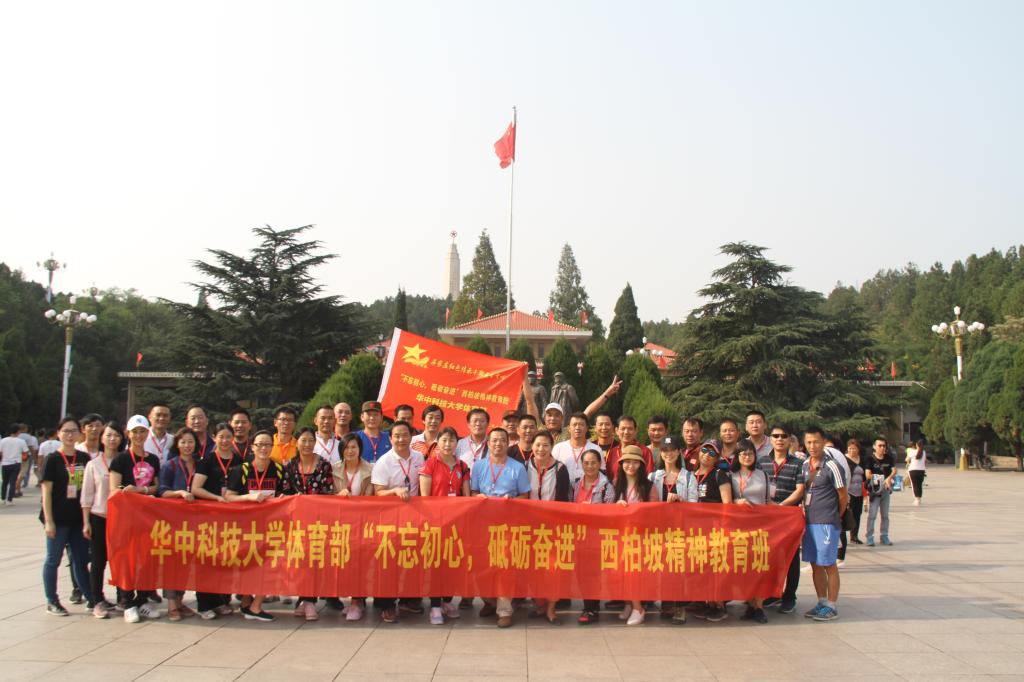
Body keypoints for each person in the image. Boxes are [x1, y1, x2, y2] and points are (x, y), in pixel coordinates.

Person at [226, 430, 290, 621]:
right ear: (252, 447)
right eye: (259, 444)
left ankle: (256, 606)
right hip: (246, 527)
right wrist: (248, 497)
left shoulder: (279, 470)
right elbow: (228, 497)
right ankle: (247, 603)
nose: (263, 448)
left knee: (270, 565)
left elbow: (286, 494)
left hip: (272, 527)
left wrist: (283, 498)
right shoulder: (240, 470)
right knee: (248, 565)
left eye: (267, 444)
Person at [470, 428, 530, 628]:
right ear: (488, 443)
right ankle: (489, 601)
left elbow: (525, 496)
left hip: (507, 525)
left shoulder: (517, 467)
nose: (498, 444)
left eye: (502, 440)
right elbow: (473, 492)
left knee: (504, 566)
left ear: (508, 443)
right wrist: (478, 497)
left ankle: (504, 610)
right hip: (483, 524)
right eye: (494, 440)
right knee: (481, 565)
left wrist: (512, 500)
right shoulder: (479, 466)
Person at [109, 414, 163, 623]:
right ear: (128, 433)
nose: (139, 435)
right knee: (127, 559)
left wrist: (140, 490)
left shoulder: (153, 459)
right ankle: (127, 602)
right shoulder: (121, 459)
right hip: (126, 517)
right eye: (135, 432)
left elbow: (156, 486)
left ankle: (142, 600)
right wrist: (128, 491)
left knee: (147, 559)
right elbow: (114, 489)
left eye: (142, 431)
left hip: (148, 517)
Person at [370, 420, 425, 624]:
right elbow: (378, 492)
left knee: (411, 558)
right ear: (391, 438)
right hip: (390, 518)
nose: (401, 439)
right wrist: (394, 491)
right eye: (397, 436)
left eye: (405, 435)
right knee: (389, 562)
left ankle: (408, 600)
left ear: (411, 437)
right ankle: (386, 604)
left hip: (414, 517)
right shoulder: (384, 461)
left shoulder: (419, 457)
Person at [191, 422, 245, 619]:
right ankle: (204, 604)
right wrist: (216, 498)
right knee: (207, 560)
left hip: (231, 519)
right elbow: (196, 489)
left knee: (225, 560)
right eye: (221, 437)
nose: (225, 441)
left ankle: (220, 601)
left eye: (228, 437)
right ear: (214, 437)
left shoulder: (238, 460)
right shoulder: (207, 460)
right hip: (209, 517)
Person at [40, 417, 93, 616]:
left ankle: (91, 598)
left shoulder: (84, 458)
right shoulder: (53, 459)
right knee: (53, 560)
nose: (70, 435)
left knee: (80, 560)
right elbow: (46, 492)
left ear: (80, 434)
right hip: (58, 519)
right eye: (66, 431)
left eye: (73, 431)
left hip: (78, 518)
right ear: (58, 434)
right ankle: (52, 601)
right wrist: (49, 521)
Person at [418, 426, 470, 624]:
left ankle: (447, 601)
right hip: (435, 523)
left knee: (453, 564)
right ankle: (435, 606)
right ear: (437, 443)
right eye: (444, 440)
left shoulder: (462, 466)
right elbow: (425, 498)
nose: (448, 444)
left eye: (452, 440)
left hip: (456, 524)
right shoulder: (429, 464)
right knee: (435, 565)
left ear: (457, 443)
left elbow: (466, 497)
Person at [285, 427, 335, 620]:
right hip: (295, 522)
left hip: (318, 522)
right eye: (303, 440)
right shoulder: (289, 465)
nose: (307, 444)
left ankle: (309, 601)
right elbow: (285, 491)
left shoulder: (324, 465)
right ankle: (304, 600)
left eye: (310, 440)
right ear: (296, 442)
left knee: (313, 560)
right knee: (300, 562)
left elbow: (328, 492)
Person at [757, 424, 805, 614]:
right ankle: (772, 593)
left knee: (791, 558)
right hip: (767, 518)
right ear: (770, 439)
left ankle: (789, 596)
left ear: (790, 440)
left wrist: (781, 506)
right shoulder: (761, 462)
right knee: (769, 557)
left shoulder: (798, 463)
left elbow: (800, 490)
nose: (779, 439)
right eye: (776, 436)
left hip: (788, 517)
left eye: (784, 436)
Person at [801, 427, 847, 622]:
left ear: (823, 442)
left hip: (827, 522)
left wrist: (836, 516)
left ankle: (832, 605)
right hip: (809, 522)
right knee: (815, 564)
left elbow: (843, 495)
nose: (812, 446)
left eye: (816, 442)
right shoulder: (805, 465)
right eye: (809, 442)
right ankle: (821, 601)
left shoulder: (832, 465)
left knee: (829, 564)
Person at [649, 436, 696, 624]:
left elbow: (695, 505)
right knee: (664, 568)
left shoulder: (689, 476)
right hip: (659, 530)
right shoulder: (653, 476)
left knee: (680, 568)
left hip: (681, 530)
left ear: (679, 452)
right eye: (665, 450)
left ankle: (680, 607)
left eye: (672, 450)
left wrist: (681, 501)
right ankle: (667, 602)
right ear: (660, 453)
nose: (669, 454)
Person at [156, 427, 199, 621]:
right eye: (183, 442)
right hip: (173, 521)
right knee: (172, 562)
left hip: (194, 521)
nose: (187, 445)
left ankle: (180, 601)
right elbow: (162, 491)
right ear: (177, 444)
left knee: (186, 562)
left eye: (190, 442)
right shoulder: (170, 465)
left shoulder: (199, 464)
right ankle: (172, 604)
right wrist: (179, 493)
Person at [81, 420, 123, 618]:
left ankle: (123, 598)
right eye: (108, 435)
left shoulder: (125, 461)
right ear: (102, 438)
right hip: (100, 517)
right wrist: (86, 521)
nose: (112, 439)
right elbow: (87, 495)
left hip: (122, 519)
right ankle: (96, 600)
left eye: (116, 435)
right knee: (98, 561)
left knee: (121, 560)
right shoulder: (93, 464)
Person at [612, 446, 656, 625]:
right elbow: (608, 507)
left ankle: (638, 608)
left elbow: (654, 512)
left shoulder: (648, 485)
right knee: (621, 573)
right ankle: (628, 604)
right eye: (627, 462)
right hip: (620, 535)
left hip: (640, 537)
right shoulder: (616, 483)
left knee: (633, 573)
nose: (630, 466)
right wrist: (617, 504)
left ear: (641, 464)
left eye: (635, 462)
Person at [331, 433, 373, 618]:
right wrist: (337, 496)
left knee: (359, 563)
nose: (350, 451)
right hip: (340, 524)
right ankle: (352, 599)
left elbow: (372, 497)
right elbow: (325, 496)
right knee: (345, 563)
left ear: (360, 449)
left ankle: (357, 601)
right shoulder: (333, 469)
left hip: (362, 523)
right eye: (346, 447)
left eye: (354, 447)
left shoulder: (370, 469)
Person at [730, 439, 772, 624]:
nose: (747, 457)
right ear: (737, 456)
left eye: (750, 453)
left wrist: (788, 512)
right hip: (738, 528)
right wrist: (736, 502)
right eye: (743, 453)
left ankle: (759, 607)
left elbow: (768, 501)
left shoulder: (763, 475)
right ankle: (749, 603)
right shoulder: (730, 476)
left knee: (759, 566)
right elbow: (726, 501)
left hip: (760, 527)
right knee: (744, 567)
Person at [692, 440, 732, 622]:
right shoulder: (691, 475)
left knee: (716, 567)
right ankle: (706, 602)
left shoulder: (719, 475)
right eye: (704, 450)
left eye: (712, 453)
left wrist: (724, 527)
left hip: (715, 528)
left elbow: (727, 504)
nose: (707, 455)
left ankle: (720, 605)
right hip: (695, 529)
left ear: (717, 458)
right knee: (702, 567)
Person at [575, 449, 614, 625]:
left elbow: (609, 513)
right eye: (586, 463)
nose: (589, 466)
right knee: (581, 574)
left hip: (597, 537)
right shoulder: (575, 484)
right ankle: (587, 604)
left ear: (600, 464)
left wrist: (590, 511)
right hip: (578, 536)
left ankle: (592, 608)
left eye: (593, 463)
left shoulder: (607, 486)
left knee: (593, 574)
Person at [552, 412, 602, 484]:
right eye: (574, 425)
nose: (577, 427)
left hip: (588, 489)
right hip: (562, 489)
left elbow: (601, 473)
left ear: (587, 428)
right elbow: (551, 472)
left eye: (581, 425)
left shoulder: (596, 449)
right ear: (569, 428)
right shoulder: (558, 448)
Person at [864, 436, 897, 546]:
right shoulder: (869, 459)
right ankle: (869, 537)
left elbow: (894, 470)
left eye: (884, 446)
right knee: (872, 515)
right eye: (880, 445)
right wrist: (881, 478)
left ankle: (884, 535)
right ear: (874, 446)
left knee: (885, 515)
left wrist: (889, 477)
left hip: (886, 490)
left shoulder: (889, 458)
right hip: (875, 490)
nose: (882, 448)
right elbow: (867, 474)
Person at [605, 416, 654, 482]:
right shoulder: (612, 452)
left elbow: (649, 477)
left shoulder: (645, 451)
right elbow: (608, 477)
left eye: (630, 429)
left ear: (635, 431)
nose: (626, 432)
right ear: (616, 431)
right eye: (623, 428)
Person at [844, 439, 866, 544]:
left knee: (857, 513)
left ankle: (854, 536)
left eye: (854, 448)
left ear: (858, 449)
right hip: (849, 491)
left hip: (859, 491)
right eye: (850, 448)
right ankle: (842, 535)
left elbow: (865, 475)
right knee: (848, 513)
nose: (852, 451)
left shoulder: (861, 460)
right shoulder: (844, 459)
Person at [1, 424, 29, 505]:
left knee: (4, 482)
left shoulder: (3, 440)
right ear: (18, 431)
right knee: (12, 482)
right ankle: (9, 500)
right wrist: (24, 460)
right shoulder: (21, 441)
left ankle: (3, 498)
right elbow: (25, 453)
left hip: (5, 463)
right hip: (16, 463)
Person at [16, 423, 38, 493]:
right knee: (24, 471)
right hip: (25, 456)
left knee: (17, 471)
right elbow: (31, 448)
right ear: (25, 429)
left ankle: (18, 488)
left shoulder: (16, 435)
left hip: (16, 456)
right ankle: (19, 484)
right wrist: (35, 458)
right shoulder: (28, 437)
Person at [906, 438, 927, 506]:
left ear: (916, 445)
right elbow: (925, 461)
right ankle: (919, 499)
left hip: (913, 470)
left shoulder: (912, 452)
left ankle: (916, 499)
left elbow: (907, 459)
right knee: (919, 485)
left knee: (914, 485)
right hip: (921, 470)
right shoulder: (924, 452)